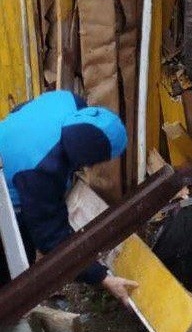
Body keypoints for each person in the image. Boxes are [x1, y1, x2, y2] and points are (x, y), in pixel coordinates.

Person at [0, 90, 138, 306]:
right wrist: (102, 277)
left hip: (9, 146)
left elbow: (20, 110)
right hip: (7, 192)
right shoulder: (40, 171)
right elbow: (50, 240)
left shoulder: (69, 101)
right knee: (14, 270)